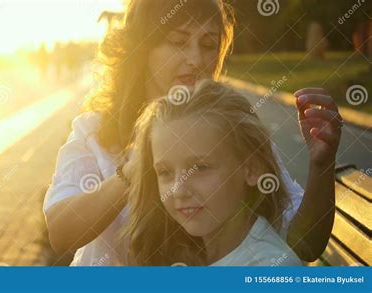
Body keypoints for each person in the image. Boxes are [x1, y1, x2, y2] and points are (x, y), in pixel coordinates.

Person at [43, 0, 342, 265]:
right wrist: (133, 171)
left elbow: (303, 243)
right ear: (143, 48)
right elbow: (61, 233)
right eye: (178, 41)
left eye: (209, 45)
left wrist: (321, 163)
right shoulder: (95, 130)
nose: (197, 59)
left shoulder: (230, 125)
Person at [118, 79, 302, 266]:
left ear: (252, 169)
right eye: (165, 172)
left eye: (200, 168)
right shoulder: (172, 248)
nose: (178, 190)